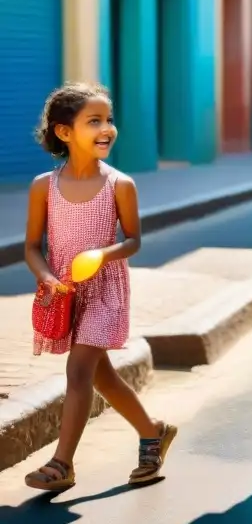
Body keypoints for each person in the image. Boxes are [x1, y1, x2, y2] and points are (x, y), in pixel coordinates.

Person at [23, 83, 176, 491]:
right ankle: (152, 431)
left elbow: (133, 240)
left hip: (105, 290)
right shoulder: (44, 186)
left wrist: (102, 256)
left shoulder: (120, 184)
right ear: (64, 132)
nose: (107, 128)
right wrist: (47, 277)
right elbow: (32, 246)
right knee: (101, 377)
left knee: (78, 372)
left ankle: (61, 465)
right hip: (67, 293)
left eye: (109, 119)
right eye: (94, 121)